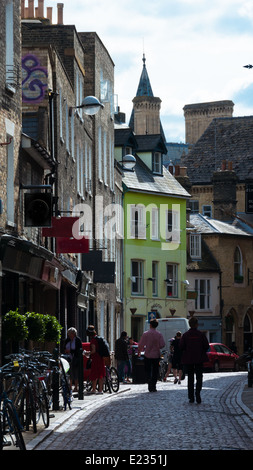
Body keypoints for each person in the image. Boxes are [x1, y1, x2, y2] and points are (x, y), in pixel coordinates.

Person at [180, 317, 209, 404]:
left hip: (189, 359)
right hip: (199, 359)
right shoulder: (201, 335)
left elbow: (181, 346)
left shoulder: (185, 335)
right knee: (199, 377)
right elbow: (206, 346)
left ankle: (191, 396)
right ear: (196, 324)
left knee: (190, 378)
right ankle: (198, 394)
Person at [138, 318, 165, 392]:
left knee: (148, 370)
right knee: (155, 371)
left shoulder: (146, 334)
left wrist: (139, 351)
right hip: (156, 355)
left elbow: (141, 344)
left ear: (150, 325)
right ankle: (154, 385)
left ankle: (149, 382)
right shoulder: (159, 334)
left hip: (148, 355)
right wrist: (157, 346)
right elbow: (162, 344)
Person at [86, 325, 106, 394]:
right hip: (100, 357)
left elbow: (94, 350)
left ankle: (94, 389)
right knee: (101, 374)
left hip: (95, 358)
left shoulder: (93, 340)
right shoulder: (98, 338)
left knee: (94, 374)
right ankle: (100, 390)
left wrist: (88, 353)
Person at [64, 327, 82, 392]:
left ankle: (76, 387)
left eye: (71, 333)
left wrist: (71, 351)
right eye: (69, 333)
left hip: (75, 358)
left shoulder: (77, 340)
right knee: (69, 372)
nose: (69, 335)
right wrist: (65, 351)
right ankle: (70, 386)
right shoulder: (67, 340)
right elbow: (64, 347)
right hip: (68, 358)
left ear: (74, 334)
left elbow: (79, 349)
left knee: (75, 372)